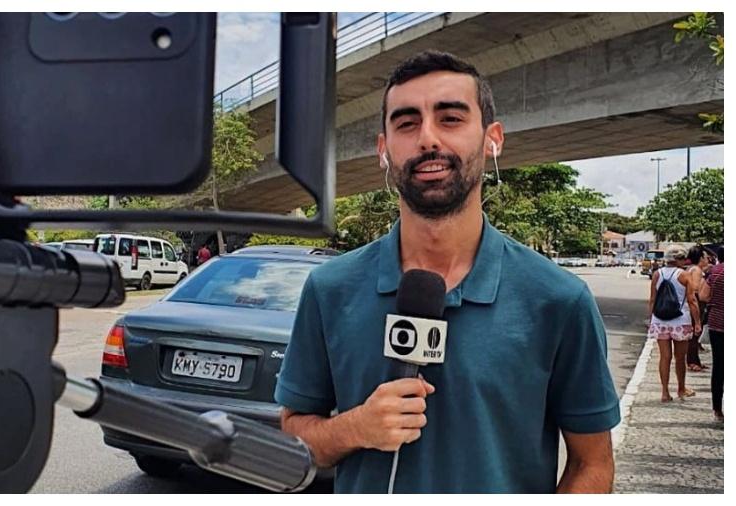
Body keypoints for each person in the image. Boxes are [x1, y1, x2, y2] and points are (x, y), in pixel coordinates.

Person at [275, 51, 619, 493]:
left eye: (451, 118)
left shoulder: (559, 299)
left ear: (492, 139)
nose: (427, 139)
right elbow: (293, 436)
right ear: (383, 150)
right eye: (406, 123)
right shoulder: (330, 289)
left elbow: (593, 464)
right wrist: (356, 427)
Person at [647, 244, 701, 402]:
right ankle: (681, 389)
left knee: (664, 357)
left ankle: (664, 392)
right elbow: (691, 300)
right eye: (684, 258)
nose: (686, 261)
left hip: (660, 320)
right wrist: (697, 321)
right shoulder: (684, 275)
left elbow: (652, 299)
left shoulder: (657, 274)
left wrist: (651, 319)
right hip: (680, 320)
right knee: (680, 357)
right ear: (679, 259)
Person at [699, 246, 723, 421]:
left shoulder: (714, 272)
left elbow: (703, 296)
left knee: (719, 366)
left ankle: (717, 409)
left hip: (717, 323)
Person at [685, 245, 710, 372]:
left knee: (695, 334)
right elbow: (694, 289)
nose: (708, 259)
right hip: (697, 303)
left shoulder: (693, 269)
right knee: (695, 332)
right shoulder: (696, 271)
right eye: (706, 257)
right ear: (701, 258)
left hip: (695, 303)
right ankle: (692, 361)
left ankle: (695, 360)